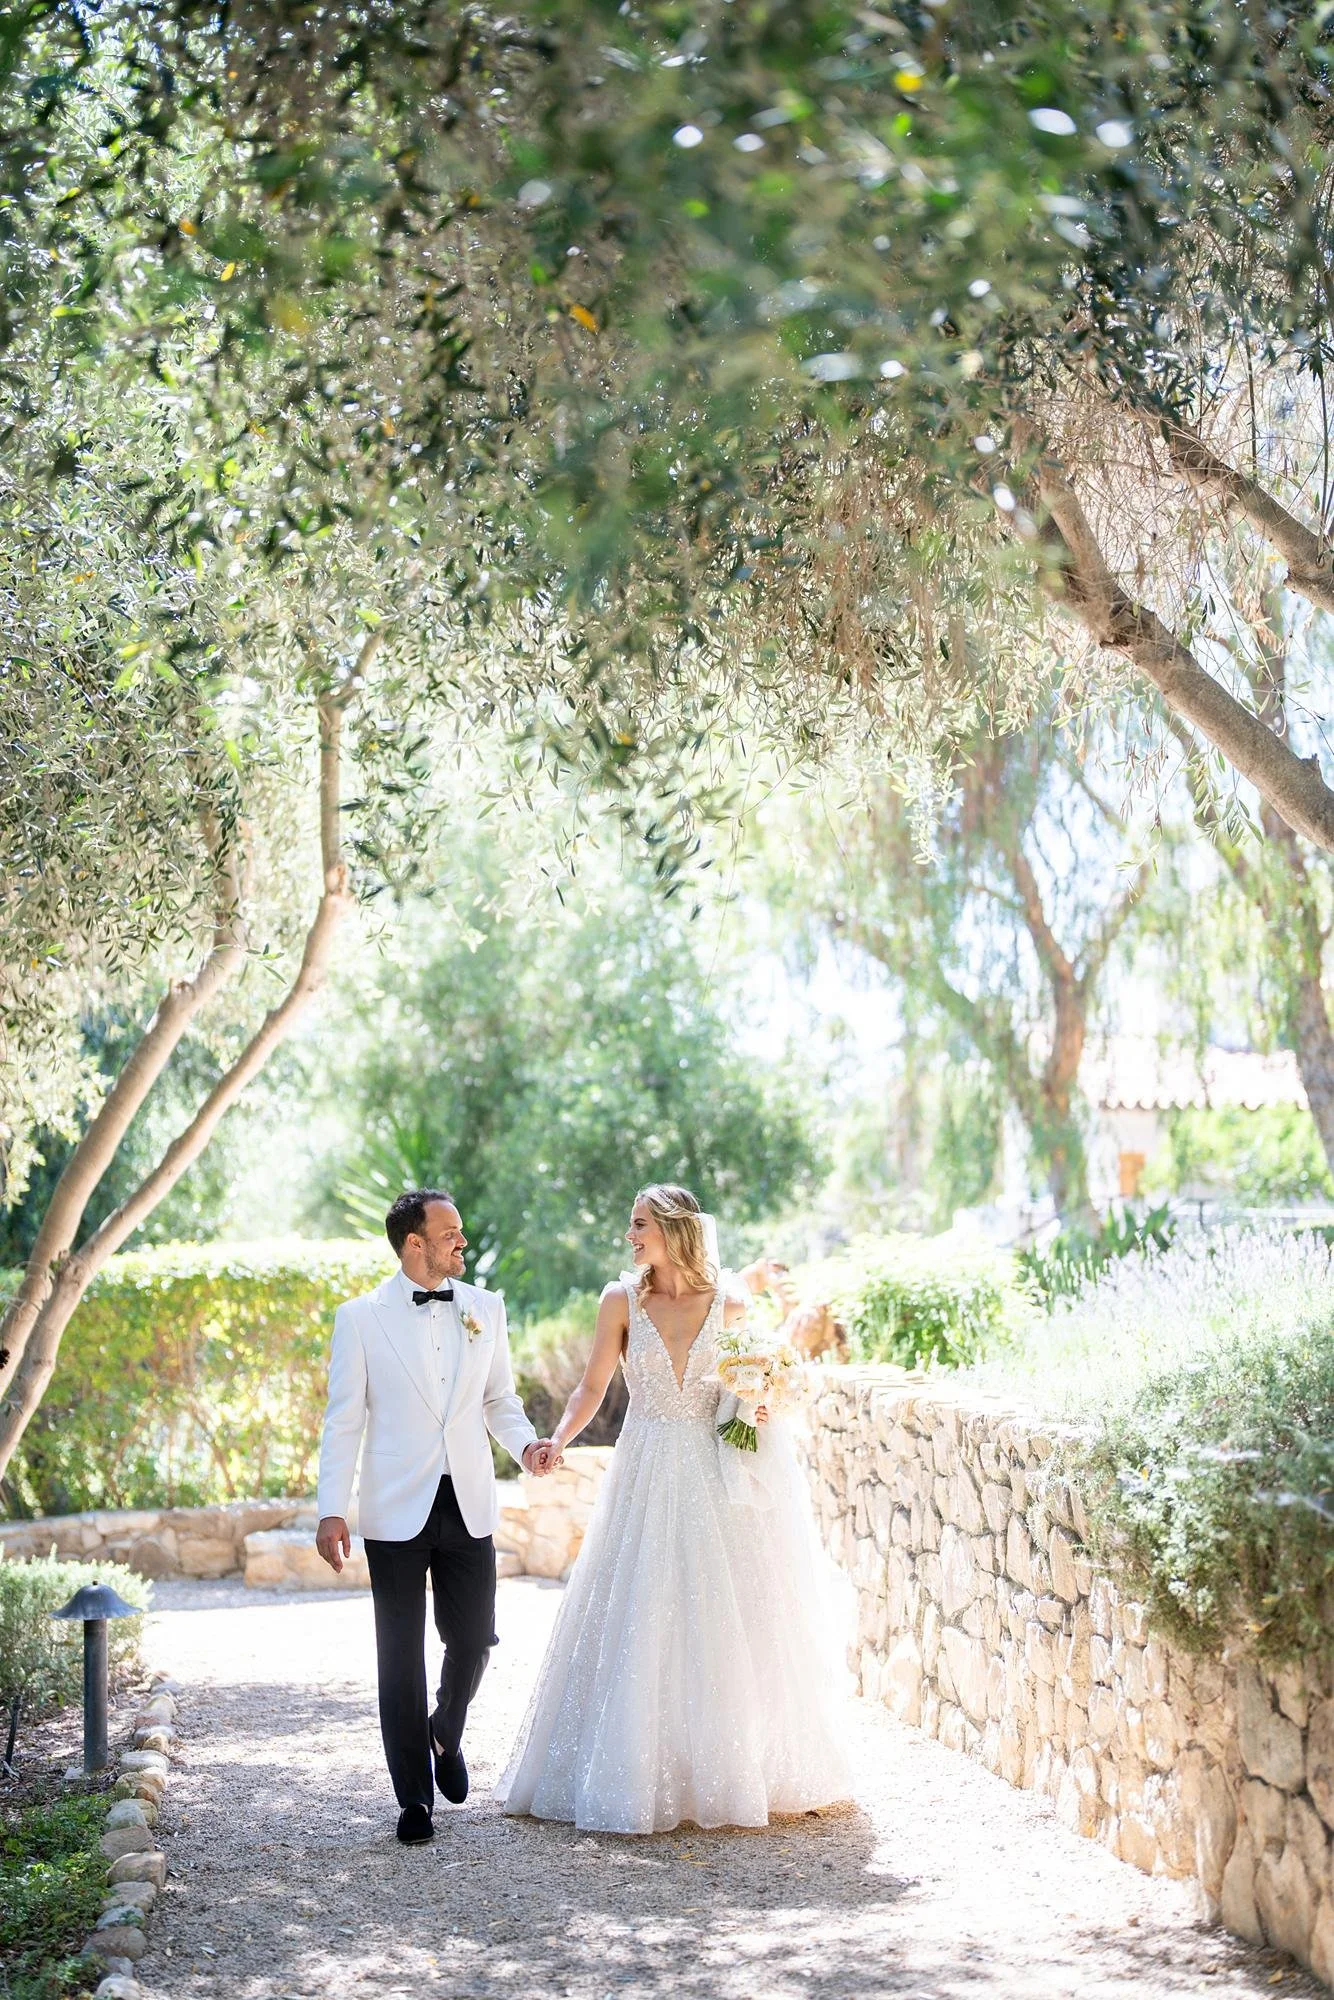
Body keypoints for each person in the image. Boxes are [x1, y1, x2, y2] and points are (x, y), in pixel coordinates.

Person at [496, 1183, 851, 1834]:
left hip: (716, 1470)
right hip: (648, 1466)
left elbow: (748, 1382)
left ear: (672, 1229)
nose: (629, 1235)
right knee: (644, 1610)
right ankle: (636, 1772)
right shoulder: (620, 1300)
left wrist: (758, 1406)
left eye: (639, 1224)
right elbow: (592, 1385)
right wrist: (556, 1440)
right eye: (630, 1225)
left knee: (726, 1618)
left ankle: (728, 1771)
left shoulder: (731, 1301)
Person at [314, 1188, 557, 1845]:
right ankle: (413, 1800)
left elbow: (499, 1398)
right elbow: (344, 1420)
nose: (462, 1243)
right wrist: (332, 1509)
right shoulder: (360, 1318)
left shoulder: (486, 1308)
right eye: (449, 1233)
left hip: (468, 1500)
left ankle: (445, 1730)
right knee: (399, 1657)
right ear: (413, 1244)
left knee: (475, 1638)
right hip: (394, 1507)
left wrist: (527, 1444)